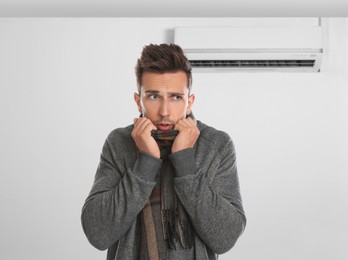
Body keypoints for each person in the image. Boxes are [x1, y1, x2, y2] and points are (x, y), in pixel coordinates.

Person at [81, 43, 246, 260]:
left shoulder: (216, 144)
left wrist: (185, 161)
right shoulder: (119, 142)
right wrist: (145, 163)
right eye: (153, 96)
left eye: (176, 97)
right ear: (138, 101)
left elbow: (225, 237)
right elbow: (98, 234)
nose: (164, 111)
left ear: (189, 102)